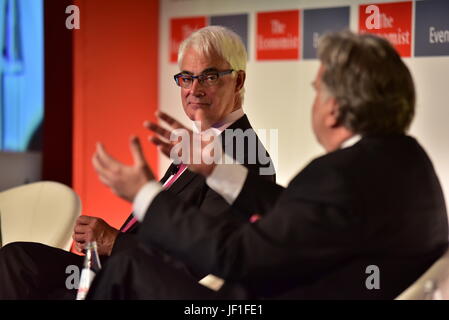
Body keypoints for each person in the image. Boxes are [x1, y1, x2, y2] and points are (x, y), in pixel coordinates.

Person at [87, 30, 448, 300]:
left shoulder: (338, 174)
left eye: (317, 89)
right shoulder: (410, 162)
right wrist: (215, 167)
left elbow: (236, 256)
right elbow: (302, 216)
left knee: (125, 269)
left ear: (335, 109)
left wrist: (146, 194)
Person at [0, 25, 274, 299]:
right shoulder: (199, 143)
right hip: (124, 268)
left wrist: (113, 241)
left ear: (238, 81)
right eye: (187, 78)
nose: (194, 89)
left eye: (209, 77)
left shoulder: (243, 156)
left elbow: (200, 260)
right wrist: (101, 244)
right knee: (18, 259)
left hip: (149, 288)